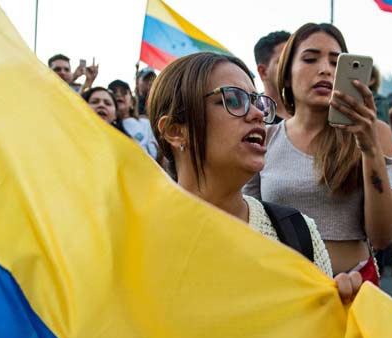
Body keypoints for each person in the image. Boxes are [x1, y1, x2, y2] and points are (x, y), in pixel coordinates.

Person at [148, 51, 362, 303]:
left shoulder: (296, 231)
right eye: (234, 100)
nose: (258, 114)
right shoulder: (137, 237)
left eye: (257, 102)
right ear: (175, 131)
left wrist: (340, 315)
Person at [244, 23, 392, 286]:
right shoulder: (265, 137)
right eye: (310, 59)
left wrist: (369, 146)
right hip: (280, 287)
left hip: (355, 290)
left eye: (337, 62)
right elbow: (248, 224)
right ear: (287, 74)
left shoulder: (375, 132)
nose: (325, 69)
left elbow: (383, 236)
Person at [109, 80, 158, 158]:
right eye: (114, 92)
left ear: (132, 102)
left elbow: (156, 152)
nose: (118, 94)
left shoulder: (146, 124)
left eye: (124, 92)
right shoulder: (107, 127)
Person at [253, 30, 292, 123]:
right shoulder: (253, 119)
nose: (293, 67)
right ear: (263, 72)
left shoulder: (312, 114)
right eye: (284, 61)